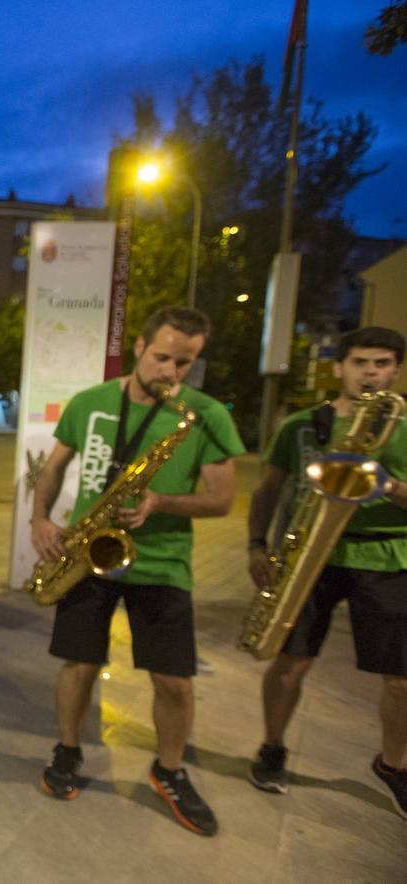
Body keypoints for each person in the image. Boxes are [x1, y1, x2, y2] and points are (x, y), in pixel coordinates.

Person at [29, 306, 243, 836]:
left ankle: (168, 770)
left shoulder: (206, 414)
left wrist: (160, 502)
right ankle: (68, 749)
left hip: (163, 563)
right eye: (164, 356)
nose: (172, 371)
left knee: (175, 681)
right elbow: (55, 467)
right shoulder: (91, 402)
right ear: (141, 346)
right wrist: (39, 518)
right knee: (77, 665)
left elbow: (222, 500)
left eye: (185, 363)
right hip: (87, 554)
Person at [246, 326, 407, 820]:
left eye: (382, 363)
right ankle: (272, 747)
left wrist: (392, 488)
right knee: (291, 664)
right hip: (311, 556)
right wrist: (256, 545)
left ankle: (394, 765)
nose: (371, 372)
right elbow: (268, 490)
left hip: (386, 556)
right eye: (361, 362)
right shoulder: (302, 425)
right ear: (339, 367)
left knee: (400, 680)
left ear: (396, 369)